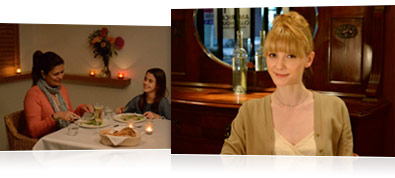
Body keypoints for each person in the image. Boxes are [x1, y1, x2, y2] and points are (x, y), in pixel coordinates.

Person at [221, 11, 353, 156]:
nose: (279, 65)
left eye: (290, 56)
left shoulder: (335, 109)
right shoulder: (249, 112)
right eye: (273, 55)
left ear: (309, 59)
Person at [24, 51, 93, 138]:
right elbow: (33, 131)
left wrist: (80, 109)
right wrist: (56, 116)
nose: (60, 77)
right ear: (43, 74)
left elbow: (69, 118)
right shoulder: (33, 94)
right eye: (56, 74)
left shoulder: (62, 89)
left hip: (63, 136)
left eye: (62, 72)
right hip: (46, 141)